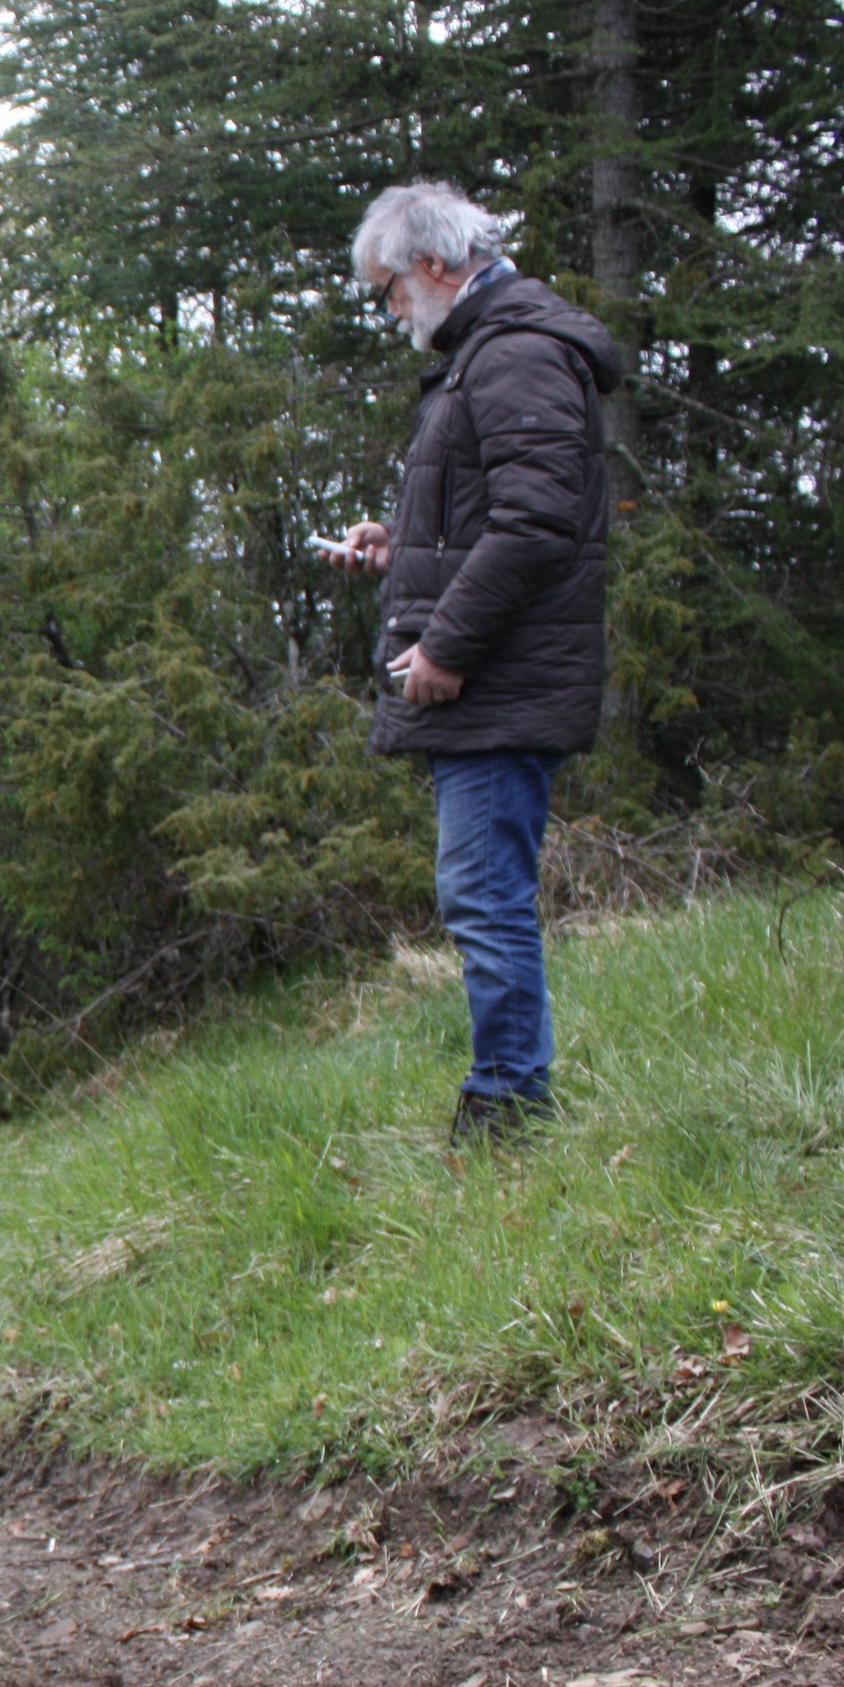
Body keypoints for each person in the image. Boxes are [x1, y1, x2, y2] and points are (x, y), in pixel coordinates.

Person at [325, 182, 618, 1144]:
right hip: (501, 676)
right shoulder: (491, 356)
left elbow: (535, 527)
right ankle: (507, 1093)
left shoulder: (518, 355)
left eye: (393, 289)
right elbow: (494, 510)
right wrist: (397, 539)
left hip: (501, 683)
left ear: (438, 268)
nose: (392, 311)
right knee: (481, 893)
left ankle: (509, 1109)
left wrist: (445, 645)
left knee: (486, 897)